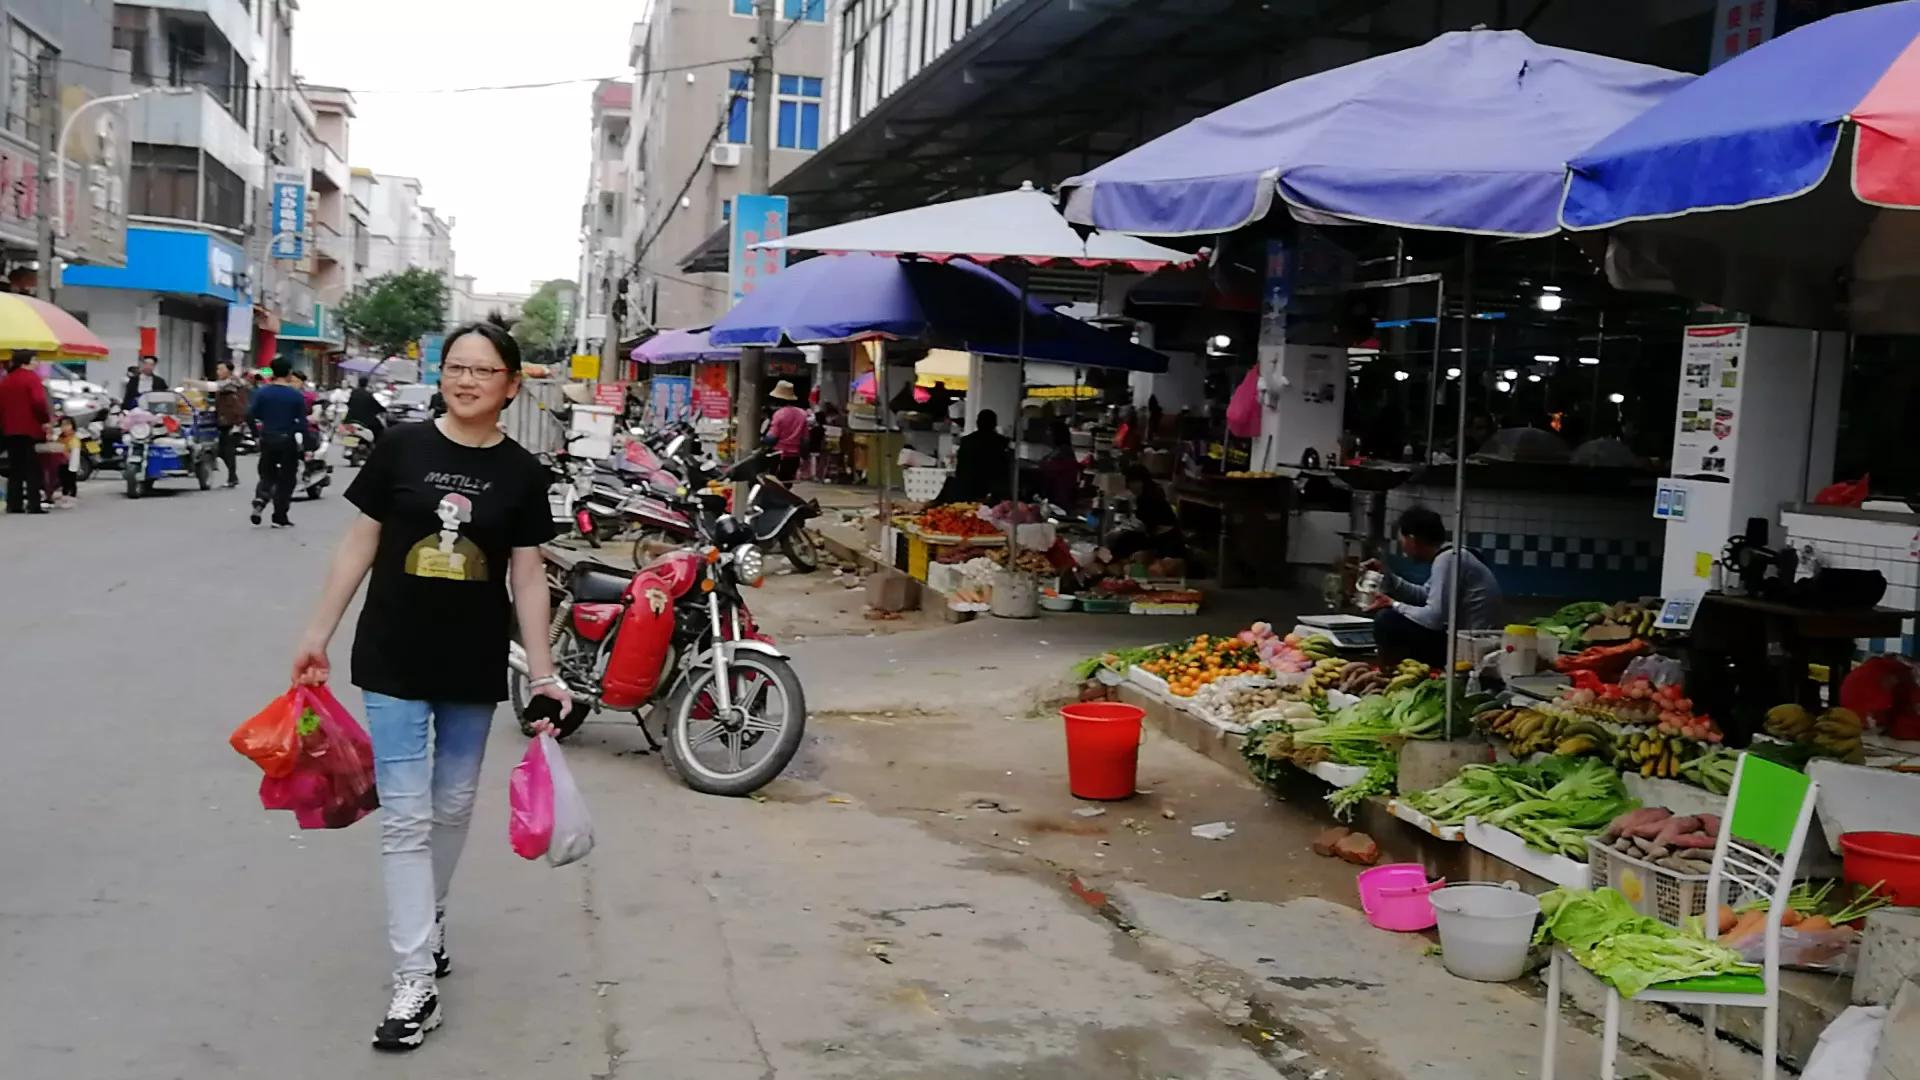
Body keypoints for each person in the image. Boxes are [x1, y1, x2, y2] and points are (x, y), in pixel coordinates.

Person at [289, 320, 569, 1052]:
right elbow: (361, 540)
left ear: (512, 384)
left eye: (483, 370)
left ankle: (429, 916)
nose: (466, 380)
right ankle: (414, 978)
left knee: (452, 807)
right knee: (408, 819)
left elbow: (529, 573)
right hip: (392, 656)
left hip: (472, 664)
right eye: (455, 367)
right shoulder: (401, 447)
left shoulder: (523, 474)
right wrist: (317, 632)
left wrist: (543, 673)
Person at [1363, 506, 1503, 668]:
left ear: (1412, 539)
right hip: (1464, 639)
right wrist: (1388, 577)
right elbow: (1424, 595)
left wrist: (1393, 604)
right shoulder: (1451, 555)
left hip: (1469, 646)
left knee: (1387, 620)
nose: (1402, 547)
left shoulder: (1448, 559)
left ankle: (1389, 673)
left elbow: (1433, 618)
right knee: (1396, 616)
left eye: (1402, 540)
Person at [248, 359, 310, 528]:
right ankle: (279, 516)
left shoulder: (262, 393)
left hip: (267, 437)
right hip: (287, 440)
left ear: (273, 372)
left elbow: (250, 414)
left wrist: (256, 434)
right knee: (287, 478)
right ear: (289, 373)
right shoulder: (295, 395)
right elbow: (302, 422)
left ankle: (261, 499)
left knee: (267, 473)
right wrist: (305, 443)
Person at [0, 350, 50, 514]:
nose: (37, 362)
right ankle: (34, 503)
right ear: (26, 361)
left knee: (16, 468)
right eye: (35, 359)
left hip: (9, 429)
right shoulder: (31, 378)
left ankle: (14, 504)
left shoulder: (7, 380)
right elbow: (38, 402)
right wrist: (44, 420)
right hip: (29, 428)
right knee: (33, 468)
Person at [1106, 463, 1183, 561]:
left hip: (1165, 541)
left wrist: (1120, 532)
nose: (1129, 488)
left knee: (1122, 543)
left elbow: (1146, 526)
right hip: (1160, 537)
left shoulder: (1149, 498)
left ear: (1139, 482)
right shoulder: (1152, 492)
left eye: (1130, 483)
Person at [940, 408, 1013, 504]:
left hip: (969, 487)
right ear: (995, 424)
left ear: (977, 423)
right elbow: (1005, 469)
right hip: (994, 489)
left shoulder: (966, 441)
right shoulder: (1002, 442)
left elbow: (960, 467)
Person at [763, 379, 809, 483]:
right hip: (794, 458)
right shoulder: (802, 414)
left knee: (774, 484)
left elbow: (771, 438)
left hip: (779, 456)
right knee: (787, 485)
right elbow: (805, 440)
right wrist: (804, 457)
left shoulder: (779, 414)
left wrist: (762, 441)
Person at [213, 360, 249, 487]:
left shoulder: (233, 382)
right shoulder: (227, 383)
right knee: (224, 450)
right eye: (218, 369)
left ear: (229, 370)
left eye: (221, 369)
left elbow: (213, 387)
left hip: (233, 421)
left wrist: (190, 382)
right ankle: (232, 476)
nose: (218, 372)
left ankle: (232, 477)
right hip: (225, 420)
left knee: (227, 449)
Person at [1035, 419, 1081, 511]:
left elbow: (1049, 470)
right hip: (1057, 497)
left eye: (1049, 431)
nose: (1046, 434)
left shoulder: (1063, 452)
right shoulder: (1059, 451)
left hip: (1059, 499)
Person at [51, 415, 81, 506]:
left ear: (73, 426)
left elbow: (74, 453)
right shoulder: (60, 438)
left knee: (71, 479)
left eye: (68, 425)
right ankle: (65, 494)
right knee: (63, 479)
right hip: (61, 462)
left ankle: (71, 495)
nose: (65, 427)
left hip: (70, 462)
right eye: (63, 425)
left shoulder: (74, 439)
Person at [347, 376, 388, 441]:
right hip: (365, 421)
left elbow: (348, 404)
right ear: (366, 384)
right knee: (380, 429)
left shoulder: (353, 393)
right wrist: (383, 410)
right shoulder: (368, 395)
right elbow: (376, 405)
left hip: (351, 419)